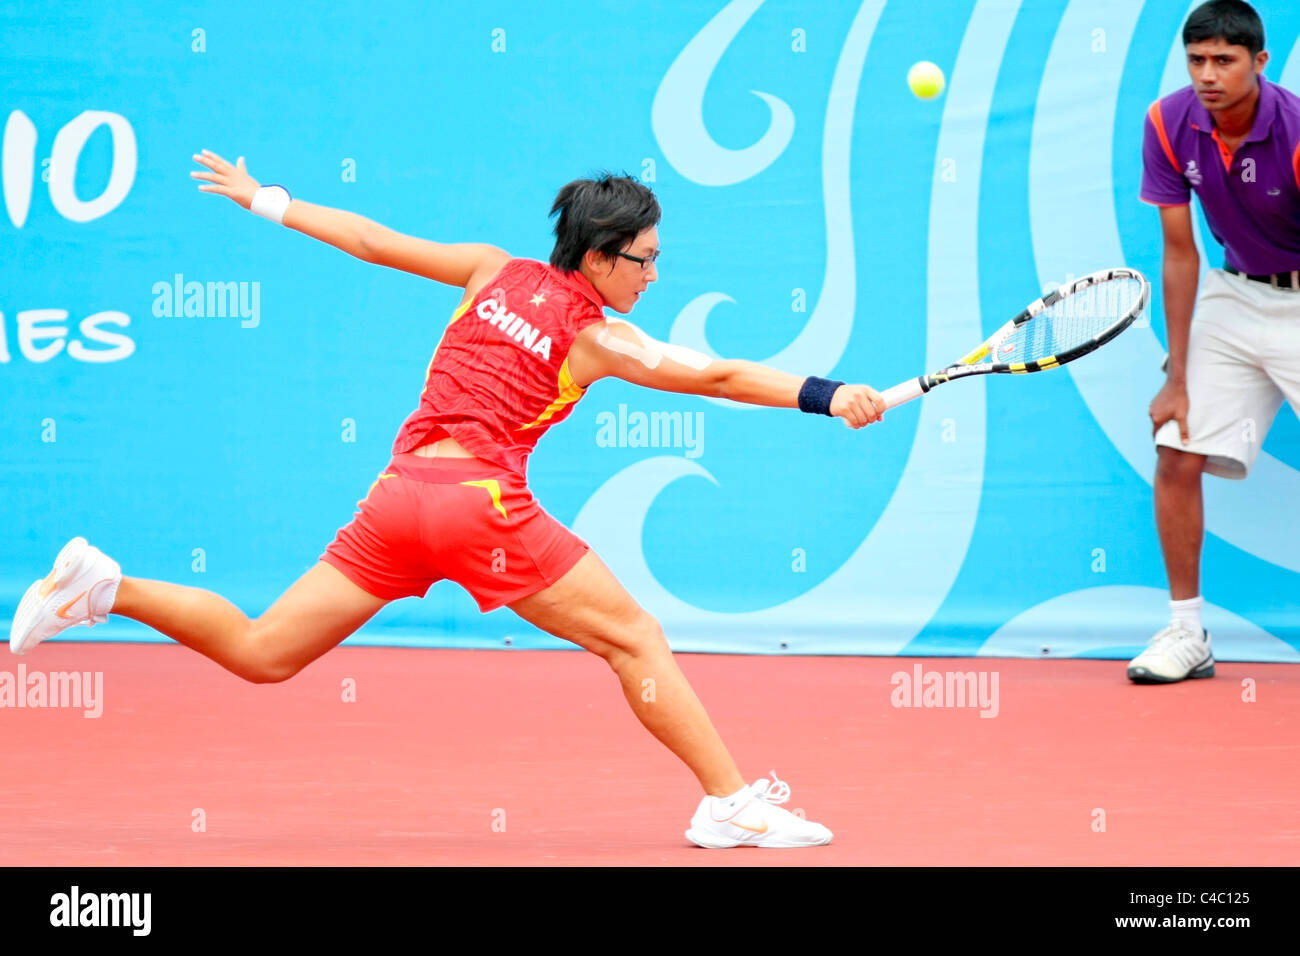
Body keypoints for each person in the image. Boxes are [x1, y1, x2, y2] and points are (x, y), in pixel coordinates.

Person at [9, 151, 888, 847]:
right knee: (635, 639)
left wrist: (264, 200)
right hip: (480, 511)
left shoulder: (487, 269)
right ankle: (728, 804)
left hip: (397, 499)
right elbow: (719, 375)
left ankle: (103, 588)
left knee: (262, 649)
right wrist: (827, 392)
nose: (654, 276)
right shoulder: (599, 336)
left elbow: (366, 238)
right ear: (596, 257)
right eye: (645, 261)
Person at [1132, 0, 1300, 683]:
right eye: (1198, 60)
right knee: (1176, 448)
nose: (1209, 75)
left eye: (1225, 61)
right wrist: (1176, 373)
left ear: (1259, 63)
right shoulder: (1168, 122)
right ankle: (1187, 632)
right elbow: (1179, 251)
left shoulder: (1294, 130)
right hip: (1233, 296)